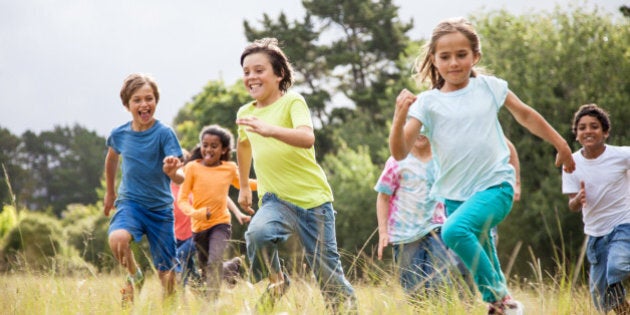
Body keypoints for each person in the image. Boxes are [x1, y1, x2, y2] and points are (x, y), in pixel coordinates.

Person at [388, 18, 575, 315]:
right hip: (454, 196)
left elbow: (526, 115)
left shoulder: (489, 87)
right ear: (434, 60)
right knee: (484, 247)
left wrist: (561, 144)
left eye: (461, 55)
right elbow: (399, 151)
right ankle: (500, 307)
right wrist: (400, 116)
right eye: (445, 56)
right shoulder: (427, 103)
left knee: (453, 232)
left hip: (496, 186)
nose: (454, 63)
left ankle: (500, 299)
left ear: (476, 56)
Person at [235, 37, 357, 314]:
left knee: (327, 273)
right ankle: (278, 281)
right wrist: (243, 185)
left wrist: (270, 130)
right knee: (257, 234)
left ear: (279, 74)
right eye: (246, 72)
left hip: (313, 201)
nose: (251, 77)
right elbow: (243, 145)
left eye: (259, 70)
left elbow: (306, 137)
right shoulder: (245, 113)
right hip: (275, 200)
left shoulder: (292, 101)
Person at [103, 73, 184, 306]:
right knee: (118, 239)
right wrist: (110, 192)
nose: (144, 104)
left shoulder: (164, 133)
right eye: (137, 100)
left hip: (160, 211)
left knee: (167, 276)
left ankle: (168, 309)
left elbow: (180, 177)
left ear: (156, 101)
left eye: (149, 98)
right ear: (127, 105)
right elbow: (111, 159)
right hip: (131, 203)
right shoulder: (119, 134)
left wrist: (171, 171)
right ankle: (135, 275)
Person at [561, 104, 630, 315]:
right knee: (602, 297)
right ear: (576, 134)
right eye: (582, 127)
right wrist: (578, 200)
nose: (588, 131)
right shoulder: (570, 163)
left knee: (617, 267)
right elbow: (572, 204)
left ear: (605, 132)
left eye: (594, 126)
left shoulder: (622, 155)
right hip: (595, 234)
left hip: (623, 224)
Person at [177, 125, 256, 301]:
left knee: (213, 263)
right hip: (198, 229)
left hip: (221, 224)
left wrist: (268, 182)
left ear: (224, 150)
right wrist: (197, 213)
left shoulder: (228, 168)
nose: (208, 149)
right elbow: (181, 200)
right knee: (206, 273)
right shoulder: (192, 168)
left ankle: (210, 306)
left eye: (214, 146)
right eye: (205, 145)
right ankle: (231, 268)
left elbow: (245, 183)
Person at [374, 132, 455, 297]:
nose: (421, 131)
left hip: (437, 228)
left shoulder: (442, 160)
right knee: (413, 292)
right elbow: (383, 196)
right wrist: (383, 231)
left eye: (426, 125)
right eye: (417, 125)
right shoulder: (397, 161)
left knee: (439, 284)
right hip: (404, 236)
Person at [171, 149, 202, 288]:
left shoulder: (193, 184)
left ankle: (179, 299)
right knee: (190, 269)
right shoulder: (167, 188)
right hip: (176, 237)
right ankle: (205, 295)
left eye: (181, 163)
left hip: (195, 234)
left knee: (179, 258)